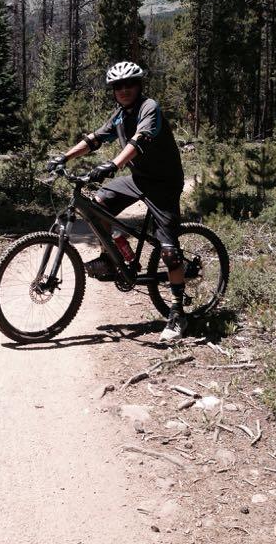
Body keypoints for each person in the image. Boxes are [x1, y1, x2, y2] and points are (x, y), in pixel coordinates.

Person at [47, 61, 187, 343]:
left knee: (169, 252)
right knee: (97, 203)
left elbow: (139, 140)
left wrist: (113, 164)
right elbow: (94, 139)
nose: (124, 90)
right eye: (118, 86)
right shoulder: (120, 115)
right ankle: (114, 258)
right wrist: (64, 157)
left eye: (129, 84)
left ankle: (177, 312)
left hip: (164, 184)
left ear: (139, 85)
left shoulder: (149, 108)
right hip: (139, 179)